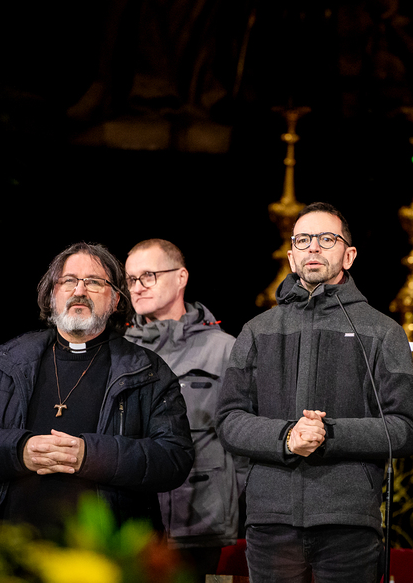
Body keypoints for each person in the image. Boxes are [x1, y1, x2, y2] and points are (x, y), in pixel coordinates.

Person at [216, 202, 413, 583]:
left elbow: (406, 429)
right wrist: (287, 437)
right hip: (271, 521)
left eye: (327, 239)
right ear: (291, 256)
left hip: (349, 523)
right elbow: (229, 420)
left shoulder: (383, 332)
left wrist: (330, 434)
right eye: (303, 240)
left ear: (349, 255)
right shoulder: (257, 330)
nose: (313, 247)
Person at [0, 242, 193, 548]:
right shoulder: (6, 365)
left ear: (115, 300)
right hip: (9, 552)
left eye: (94, 282)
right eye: (68, 281)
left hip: (106, 557)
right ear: (52, 295)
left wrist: (90, 455)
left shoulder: (147, 370)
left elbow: (174, 458)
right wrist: (19, 451)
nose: (79, 290)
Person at [124, 239, 246, 582]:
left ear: (181, 277)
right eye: (131, 279)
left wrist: (227, 496)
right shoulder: (119, 351)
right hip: (134, 521)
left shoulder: (224, 350)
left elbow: (242, 434)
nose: (137, 287)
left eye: (148, 275)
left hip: (201, 520)